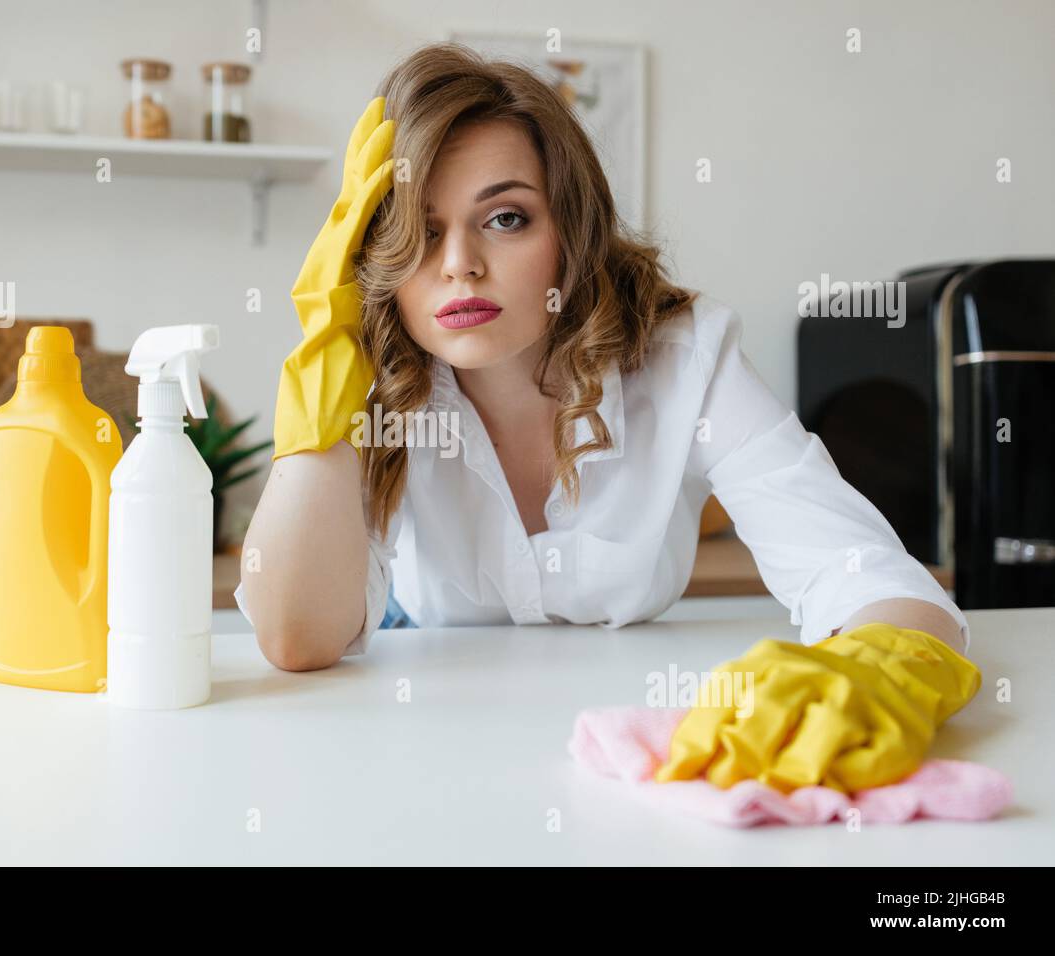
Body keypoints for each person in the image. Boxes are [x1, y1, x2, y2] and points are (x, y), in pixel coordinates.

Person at [237, 43, 979, 794]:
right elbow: (295, 637)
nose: (459, 261)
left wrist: (875, 674)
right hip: (427, 747)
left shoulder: (683, 355)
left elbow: (857, 570)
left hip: (615, 757)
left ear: (571, 229)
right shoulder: (365, 381)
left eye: (504, 217)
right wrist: (325, 357)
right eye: (418, 230)